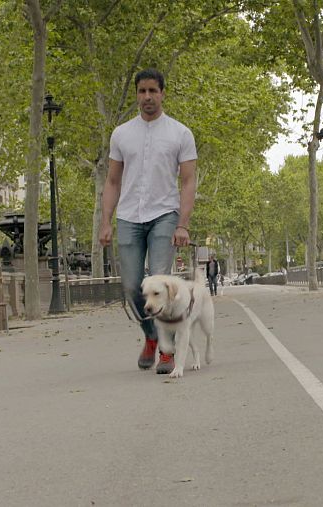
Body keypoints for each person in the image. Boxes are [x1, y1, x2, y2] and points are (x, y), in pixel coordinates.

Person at [99, 68, 197, 375]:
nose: (147, 97)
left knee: (160, 282)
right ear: (137, 95)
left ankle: (167, 351)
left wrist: (183, 224)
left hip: (164, 214)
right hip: (129, 215)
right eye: (142, 91)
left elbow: (188, 181)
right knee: (132, 286)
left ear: (162, 93)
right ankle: (152, 336)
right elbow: (112, 181)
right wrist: (105, 221)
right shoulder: (121, 134)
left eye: (153, 91)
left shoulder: (180, 133)